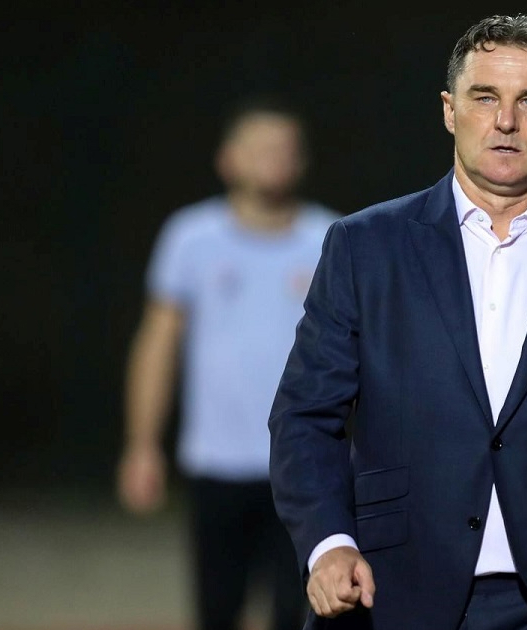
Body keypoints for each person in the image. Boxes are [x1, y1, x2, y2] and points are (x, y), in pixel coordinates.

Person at [267, 14, 527, 630]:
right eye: (485, 97)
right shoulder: (365, 246)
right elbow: (304, 416)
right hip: (391, 599)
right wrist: (329, 544)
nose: (506, 120)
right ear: (449, 109)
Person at [117, 94, 340, 630]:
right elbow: (157, 346)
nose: (273, 159)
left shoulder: (333, 238)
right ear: (228, 158)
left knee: (304, 613)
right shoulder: (190, 238)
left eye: (284, 149)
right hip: (217, 465)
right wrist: (142, 446)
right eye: (259, 148)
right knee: (217, 611)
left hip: (306, 466)